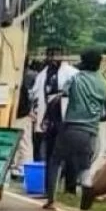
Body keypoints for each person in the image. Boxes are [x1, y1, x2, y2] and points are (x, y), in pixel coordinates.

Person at [44, 48, 106, 210]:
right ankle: (87, 187)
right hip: (90, 132)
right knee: (85, 165)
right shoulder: (104, 84)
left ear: (83, 62)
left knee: (55, 160)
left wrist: (51, 116)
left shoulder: (75, 79)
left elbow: (60, 96)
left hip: (70, 127)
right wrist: (94, 119)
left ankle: (51, 200)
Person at [32, 46, 78, 189]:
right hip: (49, 118)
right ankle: (49, 186)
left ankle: (69, 187)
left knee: (70, 154)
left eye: (57, 55)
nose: (53, 58)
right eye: (51, 55)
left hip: (66, 117)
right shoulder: (42, 75)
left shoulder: (72, 73)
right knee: (50, 154)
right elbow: (36, 95)